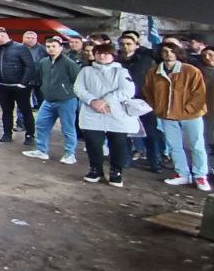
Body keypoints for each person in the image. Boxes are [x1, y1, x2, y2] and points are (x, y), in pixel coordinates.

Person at [144, 43, 211, 191]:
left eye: (172, 51)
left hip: (191, 115)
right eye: (165, 51)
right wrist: (157, 107)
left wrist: (188, 109)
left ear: (178, 53)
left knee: (196, 145)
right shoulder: (153, 72)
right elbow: (148, 91)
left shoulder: (191, 71)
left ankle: (200, 175)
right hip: (167, 115)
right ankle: (182, 173)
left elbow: (199, 94)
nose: (168, 54)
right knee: (174, 146)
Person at [74, 43, 138, 187]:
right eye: (99, 53)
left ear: (113, 55)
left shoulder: (121, 72)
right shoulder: (86, 71)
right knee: (93, 143)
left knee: (118, 143)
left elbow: (127, 90)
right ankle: (95, 169)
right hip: (92, 111)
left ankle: (116, 171)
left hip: (115, 112)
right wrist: (92, 101)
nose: (102, 56)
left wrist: (105, 101)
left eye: (106, 53)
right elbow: (78, 88)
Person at [22, 36, 80, 165]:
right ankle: (41, 150)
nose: (51, 49)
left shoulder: (69, 63)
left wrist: (67, 92)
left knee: (68, 128)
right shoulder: (44, 62)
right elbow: (41, 77)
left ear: (61, 48)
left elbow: (77, 80)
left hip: (66, 100)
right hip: (48, 100)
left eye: (54, 46)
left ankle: (70, 154)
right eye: (48, 46)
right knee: (41, 123)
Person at [119, 34, 161, 172]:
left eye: (129, 44)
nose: (125, 46)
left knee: (150, 133)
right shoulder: (116, 61)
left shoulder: (147, 61)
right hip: (122, 100)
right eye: (122, 44)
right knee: (123, 132)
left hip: (144, 100)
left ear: (137, 45)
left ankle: (155, 161)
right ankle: (126, 159)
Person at [0, 27, 38, 144]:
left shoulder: (20, 48)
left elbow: (29, 66)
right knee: (6, 111)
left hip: (19, 87)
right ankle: (7, 134)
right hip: (3, 86)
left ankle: (30, 135)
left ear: (2, 36)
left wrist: (23, 83)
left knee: (26, 110)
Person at [21, 30, 43, 109]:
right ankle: (22, 117)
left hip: (40, 80)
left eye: (33, 38)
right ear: (23, 38)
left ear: (36, 39)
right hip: (23, 79)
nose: (30, 40)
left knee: (42, 101)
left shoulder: (43, 49)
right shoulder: (17, 48)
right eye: (28, 38)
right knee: (22, 101)